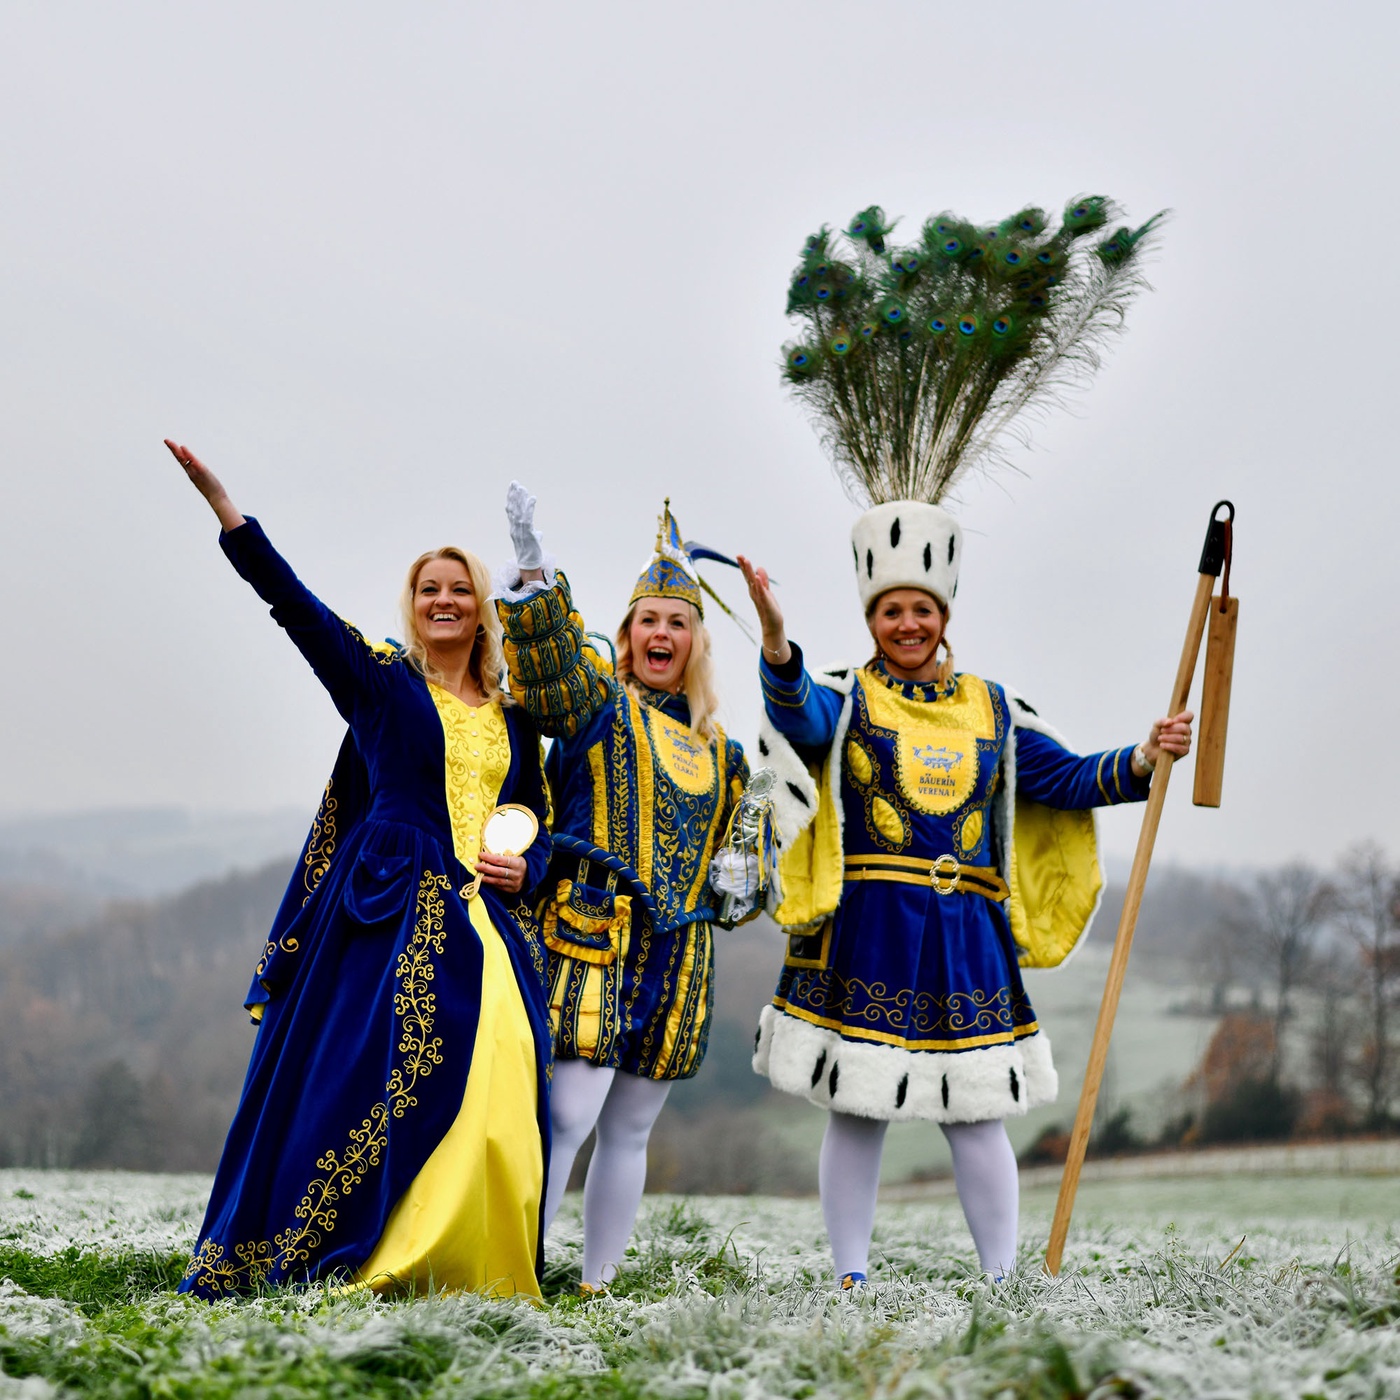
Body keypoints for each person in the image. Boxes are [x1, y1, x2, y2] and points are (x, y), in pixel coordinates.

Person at [738, 498, 1192, 1286]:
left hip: (966, 935)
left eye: (920, 609)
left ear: (942, 613)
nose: (906, 625)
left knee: (977, 1111)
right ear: (871, 616)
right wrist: (777, 639)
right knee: (858, 1104)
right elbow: (796, 713)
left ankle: (1001, 1278)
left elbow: (1073, 777)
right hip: (869, 929)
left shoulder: (996, 708)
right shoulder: (844, 698)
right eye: (889, 611)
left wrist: (1147, 756)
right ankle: (851, 1277)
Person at [165, 440, 554, 1301]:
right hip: (389, 908)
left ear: (482, 609)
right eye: (430, 590)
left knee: (502, 1056)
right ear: (413, 608)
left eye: (460, 589)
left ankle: (474, 1262)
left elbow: (537, 819)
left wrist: (532, 867)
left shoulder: (515, 717)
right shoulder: (380, 681)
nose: (445, 600)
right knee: (361, 1078)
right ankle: (366, 1250)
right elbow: (296, 608)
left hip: (483, 915)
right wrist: (232, 516)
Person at [495, 483, 750, 1291]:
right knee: (565, 1118)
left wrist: (755, 857)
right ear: (631, 632)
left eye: (677, 621)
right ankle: (518, 1268)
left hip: (679, 958)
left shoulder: (726, 755)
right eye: (648, 620)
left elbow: (742, 880)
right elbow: (554, 674)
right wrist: (536, 579)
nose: (661, 633)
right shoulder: (601, 703)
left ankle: (596, 1283)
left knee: (630, 1130)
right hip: (590, 934)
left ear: (696, 641)